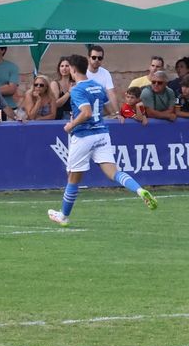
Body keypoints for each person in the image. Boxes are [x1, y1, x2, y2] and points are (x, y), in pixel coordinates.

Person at [49, 52, 157, 226]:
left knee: (73, 178)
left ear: (73, 69)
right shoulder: (98, 86)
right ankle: (139, 190)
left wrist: (71, 125)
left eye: (69, 67)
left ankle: (63, 216)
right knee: (113, 172)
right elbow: (104, 108)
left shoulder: (77, 89)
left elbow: (86, 113)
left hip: (84, 136)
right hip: (102, 134)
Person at [86, 45, 116, 110]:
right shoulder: (82, 72)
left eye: (99, 58)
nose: (97, 60)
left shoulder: (105, 73)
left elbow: (111, 94)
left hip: (101, 110)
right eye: (94, 57)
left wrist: (117, 112)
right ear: (89, 58)